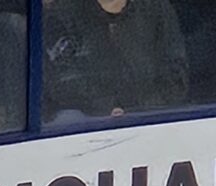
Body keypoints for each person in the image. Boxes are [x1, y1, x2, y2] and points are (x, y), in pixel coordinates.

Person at [43, 0, 188, 122]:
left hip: (152, 122)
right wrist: (106, 108)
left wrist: (141, 110)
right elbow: (60, 80)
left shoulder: (156, 7)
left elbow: (176, 75)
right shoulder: (62, 14)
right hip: (84, 126)